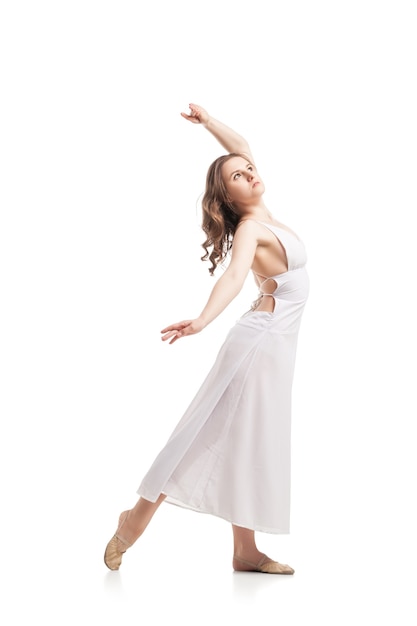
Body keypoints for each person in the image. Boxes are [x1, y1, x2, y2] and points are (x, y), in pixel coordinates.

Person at [104, 103, 309, 575]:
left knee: (252, 440)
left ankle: (245, 551)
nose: (250, 173)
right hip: (258, 344)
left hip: (276, 348)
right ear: (228, 196)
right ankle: (132, 523)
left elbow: (240, 148)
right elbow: (235, 277)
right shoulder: (252, 229)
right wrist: (201, 320)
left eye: (250, 169)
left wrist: (209, 123)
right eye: (239, 176)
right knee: (201, 432)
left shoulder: (265, 213)